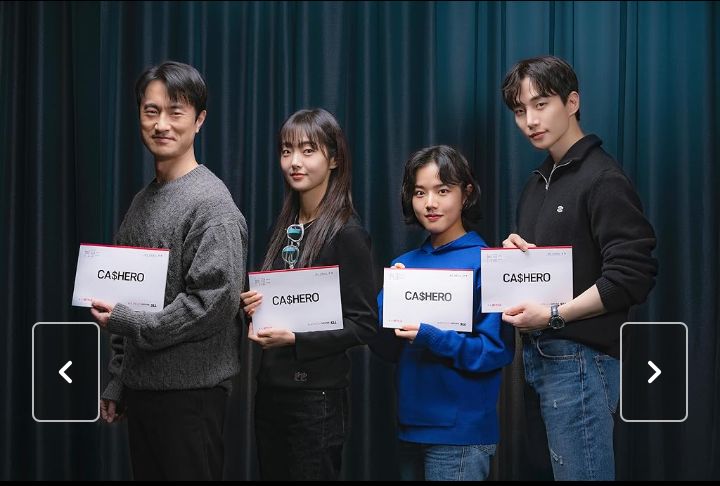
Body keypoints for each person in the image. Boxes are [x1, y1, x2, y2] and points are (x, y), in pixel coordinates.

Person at [499, 55, 657, 480]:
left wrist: (553, 314)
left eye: (541, 104)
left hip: (581, 362)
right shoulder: (537, 182)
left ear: (571, 103)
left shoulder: (602, 178)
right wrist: (518, 260)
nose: (530, 120)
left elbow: (632, 276)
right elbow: (561, 271)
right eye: (520, 110)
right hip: (538, 358)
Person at [90, 61, 248, 481]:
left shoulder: (212, 206)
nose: (161, 124)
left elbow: (211, 306)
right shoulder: (142, 202)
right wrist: (118, 380)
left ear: (199, 120)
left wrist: (128, 320)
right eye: (151, 111)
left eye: (175, 112)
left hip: (191, 400)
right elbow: (125, 298)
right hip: (143, 394)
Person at [239, 108, 378, 480]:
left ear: (334, 159)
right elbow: (279, 303)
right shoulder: (283, 226)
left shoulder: (347, 233)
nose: (294, 162)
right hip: (271, 391)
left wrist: (296, 339)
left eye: (307, 150)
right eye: (287, 151)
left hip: (317, 399)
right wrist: (251, 305)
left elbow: (364, 324)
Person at [371, 145, 515, 481]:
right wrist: (386, 302)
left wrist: (431, 336)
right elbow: (385, 347)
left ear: (466, 194)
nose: (430, 203)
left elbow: (494, 351)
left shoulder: (487, 262)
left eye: (443, 191)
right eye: (420, 192)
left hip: (461, 434)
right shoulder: (405, 264)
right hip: (410, 427)